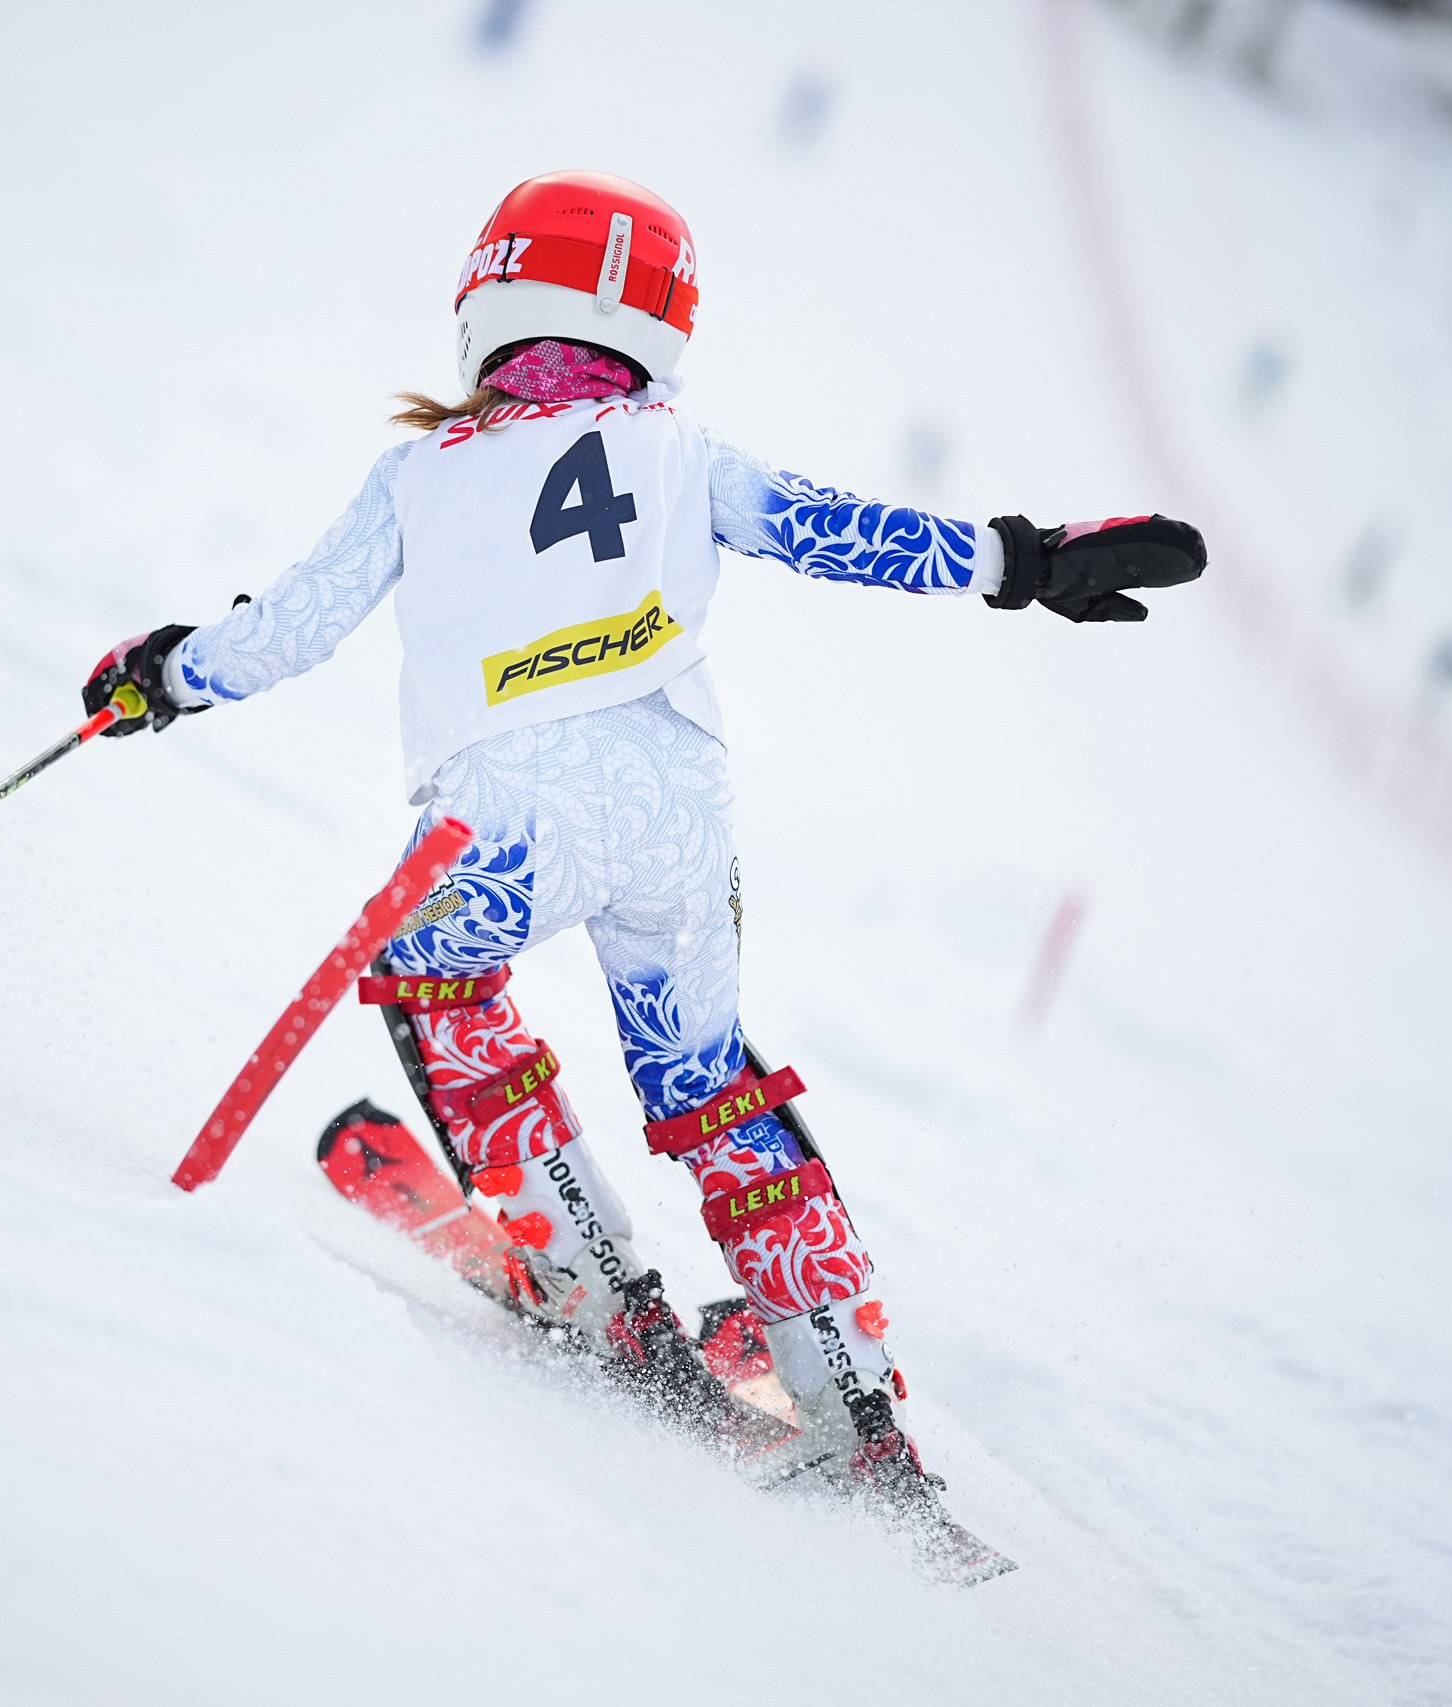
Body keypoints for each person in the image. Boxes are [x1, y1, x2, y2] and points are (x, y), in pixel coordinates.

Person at [82, 171, 1205, 1511]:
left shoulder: (420, 470)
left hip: (503, 815)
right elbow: (843, 530)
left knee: (436, 985)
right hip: (675, 801)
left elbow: (291, 628)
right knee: (708, 1079)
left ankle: (581, 1271)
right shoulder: (679, 444)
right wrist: (1021, 560)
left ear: (486, 299)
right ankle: (844, 1386)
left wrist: (164, 672)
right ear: (658, 328)